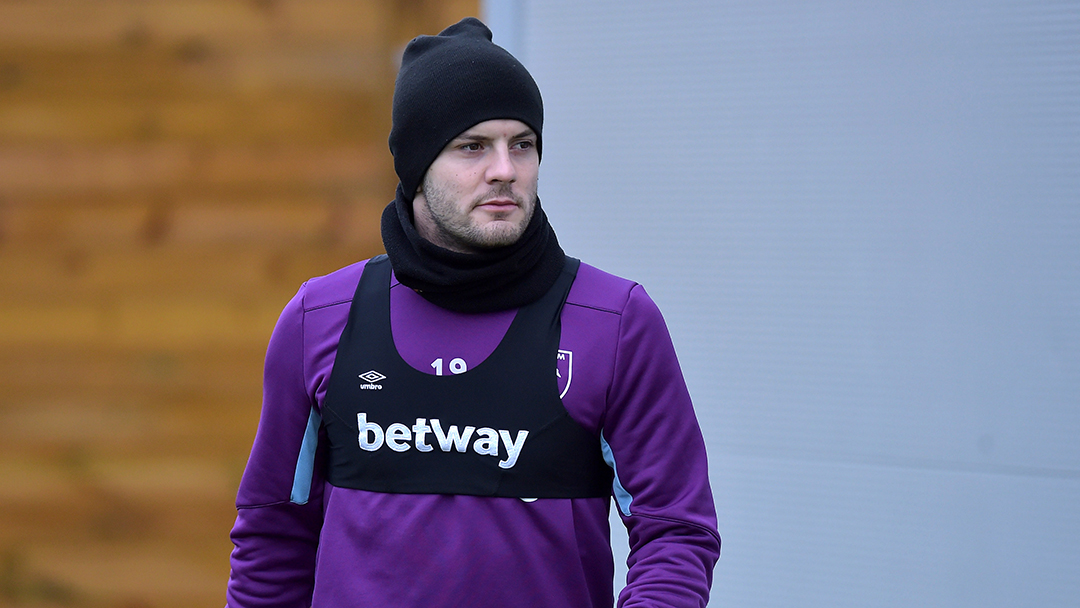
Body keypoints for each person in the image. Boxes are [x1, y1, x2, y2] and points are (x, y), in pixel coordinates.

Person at [226, 17, 720, 608]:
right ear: (416, 166)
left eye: (523, 144)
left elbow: (676, 531)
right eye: (472, 146)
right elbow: (273, 536)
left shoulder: (612, 322)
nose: (505, 170)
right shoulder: (322, 318)